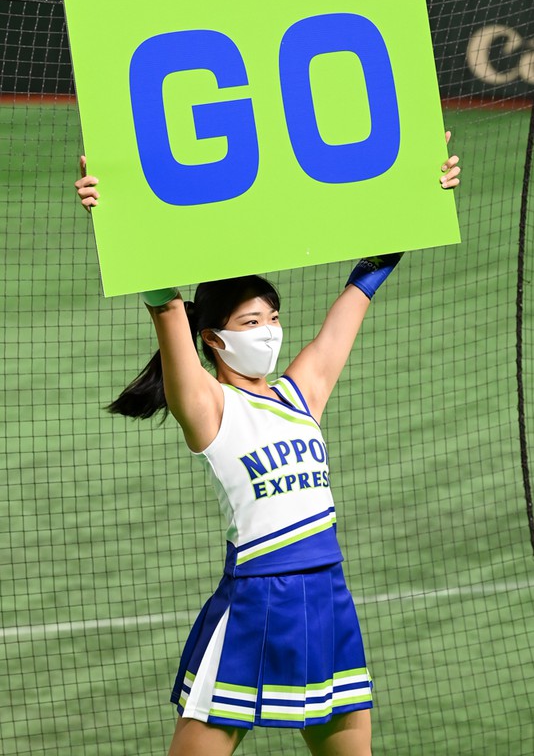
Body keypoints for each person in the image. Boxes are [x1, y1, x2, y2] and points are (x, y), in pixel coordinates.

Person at [75, 139, 460, 756]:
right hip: (256, 601)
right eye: (251, 323)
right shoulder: (206, 406)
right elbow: (166, 304)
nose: (269, 331)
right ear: (214, 339)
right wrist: (115, 215)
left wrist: (418, 191)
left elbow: (361, 288)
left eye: (273, 317)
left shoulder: (300, 392)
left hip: (329, 598)